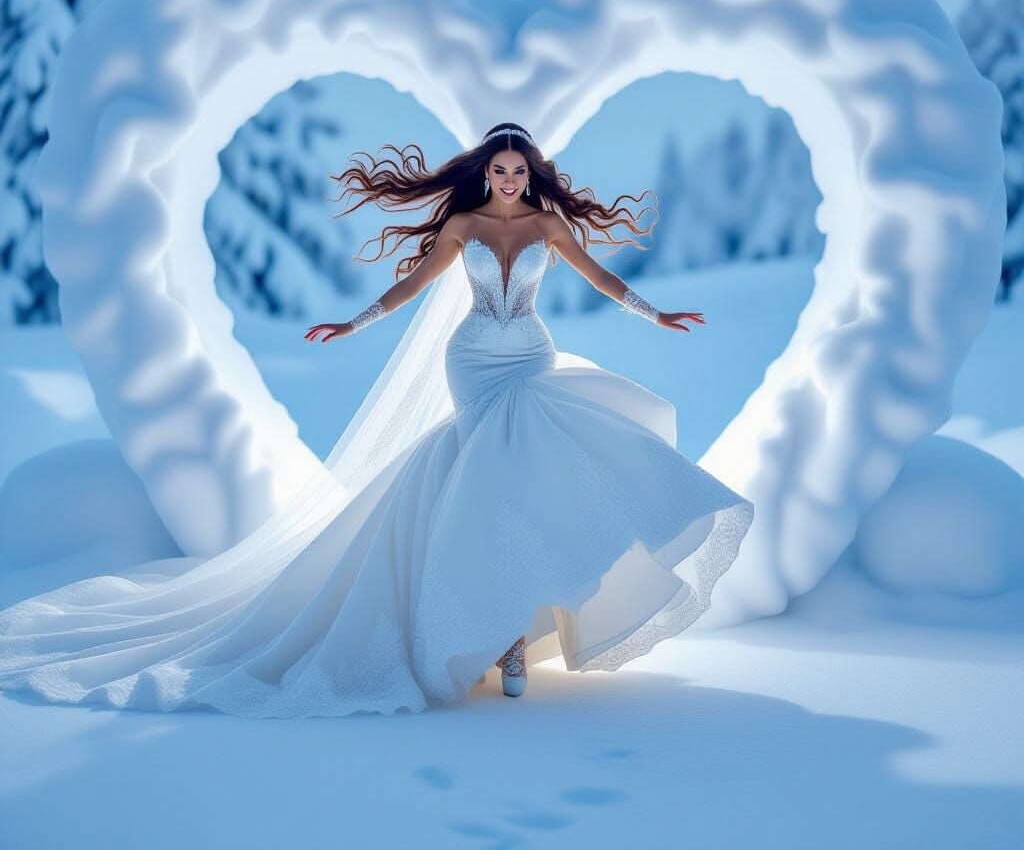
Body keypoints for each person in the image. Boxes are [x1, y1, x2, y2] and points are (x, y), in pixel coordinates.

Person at [0, 123, 754, 718]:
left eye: (521, 171)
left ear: (531, 174)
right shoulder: (462, 224)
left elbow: (600, 276)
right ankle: (507, 637)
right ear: (485, 173)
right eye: (501, 170)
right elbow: (412, 285)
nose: (511, 180)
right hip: (475, 365)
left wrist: (656, 315)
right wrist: (352, 324)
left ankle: (516, 632)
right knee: (490, 489)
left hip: (530, 357)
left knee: (531, 482)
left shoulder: (547, 228)